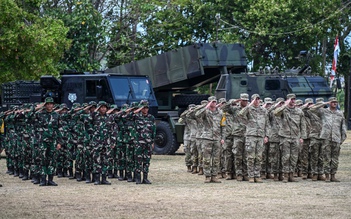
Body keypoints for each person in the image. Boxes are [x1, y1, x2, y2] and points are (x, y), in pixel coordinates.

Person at [310, 97, 347, 182]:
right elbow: (312, 109)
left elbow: (343, 127)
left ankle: (333, 175)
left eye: (336, 102)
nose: (335, 103)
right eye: (333, 102)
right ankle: (327, 176)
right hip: (326, 138)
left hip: (336, 138)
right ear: (329, 103)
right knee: (326, 158)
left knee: (335, 158)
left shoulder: (340, 113)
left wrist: (342, 139)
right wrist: (324, 103)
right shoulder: (324, 111)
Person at [274, 94, 306, 183]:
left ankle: (291, 175)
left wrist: (302, 137)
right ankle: (285, 175)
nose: (293, 101)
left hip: (295, 137)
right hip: (285, 137)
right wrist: (284, 105)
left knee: (294, 157)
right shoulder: (283, 110)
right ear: (287, 100)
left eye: (294, 99)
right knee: (285, 157)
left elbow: (303, 125)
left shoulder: (299, 111)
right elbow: (275, 113)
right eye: (291, 99)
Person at [238, 94, 268, 183]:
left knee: (259, 157)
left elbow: (267, 124)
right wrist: (249, 105)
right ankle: (251, 175)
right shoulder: (248, 109)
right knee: (251, 157)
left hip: (260, 136)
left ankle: (257, 175)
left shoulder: (263, 110)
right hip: (251, 136)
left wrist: (266, 135)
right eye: (255, 99)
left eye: (258, 99)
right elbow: (240, 114)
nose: (256, 101)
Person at [195, 96, 224, 183]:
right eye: (212, 102)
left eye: (215, 102)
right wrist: (206, 107)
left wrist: (223, 138)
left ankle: (214, 176)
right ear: (209, 102)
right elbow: (197, 115)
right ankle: (207, 176)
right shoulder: (205, 112)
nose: (214, 103)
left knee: (216, 159)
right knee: (206, 158)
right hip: (206, 138)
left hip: (217, 138)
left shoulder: (220, 113)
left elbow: (223, 126)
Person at [36, 97, 63, 186]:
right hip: (43, 140)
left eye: (51, 104)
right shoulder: (40, 114)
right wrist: (38, 107)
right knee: (42, 160)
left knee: (52, 160)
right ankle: (43, 179)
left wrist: (59, 142)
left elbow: (59, 129)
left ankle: (50, 179)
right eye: (47, 104)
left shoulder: (56, 115)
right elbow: (28, 115)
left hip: (53, 141)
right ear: (45, 105)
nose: (49, 105)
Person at [133, 100, 156, 184]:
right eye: (143, 108)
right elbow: (127, 116)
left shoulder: (151, 117)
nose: (145, 109)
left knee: (146, 161)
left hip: (148, 143)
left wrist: (153, 141)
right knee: (138, 161)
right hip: (139, 143)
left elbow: (153, 130)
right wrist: (138, 109)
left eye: (146, 108)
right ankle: (138, 178)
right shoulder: (136, 116)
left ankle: (145, 178)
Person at [90, 101, 112, 185]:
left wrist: (112, 141)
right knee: (96, 160)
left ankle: (104, 179)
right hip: (96, 142)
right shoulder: (94, 116)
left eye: (104, 107)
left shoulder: (110, 117)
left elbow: (113, 130)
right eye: (101, 107)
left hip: (107, 142)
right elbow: (87, 120)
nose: (103, 109)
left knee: (105, 161)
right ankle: (97, 179)